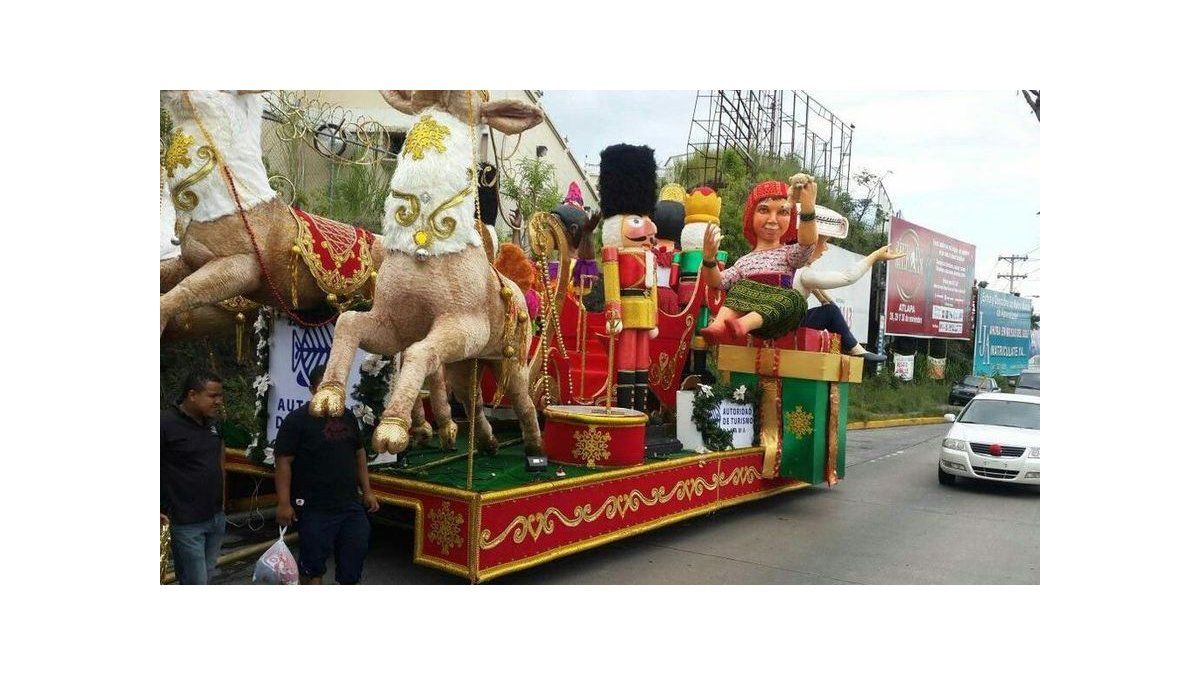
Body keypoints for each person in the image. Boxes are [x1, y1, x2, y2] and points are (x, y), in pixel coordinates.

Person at [698, 175, 898, 360]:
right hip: (758, 321)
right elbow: (718, 281)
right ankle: (718, 327)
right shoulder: (744, 262)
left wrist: (808, 206)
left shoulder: (790, 254)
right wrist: (708, 258)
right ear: (751, 216)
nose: (772, 219)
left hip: (780, 318)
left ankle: (743, 324)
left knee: (792, 298)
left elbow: (806, 245)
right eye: (764, 210)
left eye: (782, 212)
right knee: (740, 289)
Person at [274, 364, 380, 584]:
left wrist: (367, 491)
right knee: (313, 568)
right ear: (312, 389)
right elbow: (283, 462)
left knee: (354, 560)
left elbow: (359, 454)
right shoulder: (296, 420)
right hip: (313, 509)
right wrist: (284, 503)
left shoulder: (347, 416)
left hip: (349, 505)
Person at [161, 370, 226, 584]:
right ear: (192, 395)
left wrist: (223, 503)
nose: (218, 401)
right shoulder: (165, 424)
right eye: (212, 396)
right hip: (186, 521)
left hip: (216, 517)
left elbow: (220, 461)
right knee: (195, 581)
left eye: (220, 395)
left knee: (206, 577)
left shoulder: (213, 424)